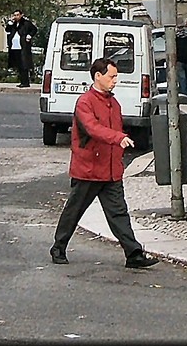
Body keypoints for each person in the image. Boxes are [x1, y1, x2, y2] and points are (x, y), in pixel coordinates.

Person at [50, 58, 159, 269]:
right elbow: (92, 129)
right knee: (74, 210)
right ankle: (58, 246)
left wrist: (118, 153)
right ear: (97, 76)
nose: (115, 81)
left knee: (118, 212)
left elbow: (107, 131)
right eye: (112, 76)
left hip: (110, 169)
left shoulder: (113, 103)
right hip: (89, 170)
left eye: (116, 76)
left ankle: (133, 253)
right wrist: (117, 138)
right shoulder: (85, 102)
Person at [6, 10, 38, 88]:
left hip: (23, 46)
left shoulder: (26, 23)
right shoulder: (13, 24)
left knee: (24, 65)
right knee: (18, 65)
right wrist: (10, 23)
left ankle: (25, 82)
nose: (16, 17)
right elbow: (7, 30)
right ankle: (22, 81)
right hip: (14, 47)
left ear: (21, 15)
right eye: (14, 15)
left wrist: (29, 35)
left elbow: (34, 29)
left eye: (17, 15)